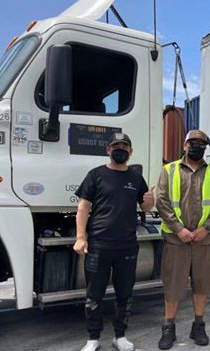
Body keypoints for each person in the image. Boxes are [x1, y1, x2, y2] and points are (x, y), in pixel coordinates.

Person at [73, 132, 154, 351]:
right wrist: (80, 237)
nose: (120, 150)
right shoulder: (96, 175)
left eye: (124, 146)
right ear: (108, 150)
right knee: (94, 295)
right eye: (116, 146)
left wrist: (150, 200)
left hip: (127, 246)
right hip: (99, 245)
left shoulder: (136, 177)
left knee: (124, 294)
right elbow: (83, 207)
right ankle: (93, 338)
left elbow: (146, 207)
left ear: (130, 151)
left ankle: (120, 336)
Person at [156, 130, 210, 350]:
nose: (197, 147)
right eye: (193, 143)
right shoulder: (169, 170)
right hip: (177, 240)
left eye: (201, 144)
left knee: (202, 285)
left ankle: (198, 326)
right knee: (173, 286)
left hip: (204, 240)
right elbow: (161, 201)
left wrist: (206, 228)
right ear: (185, 146)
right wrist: (179, 230)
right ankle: (168, 328)